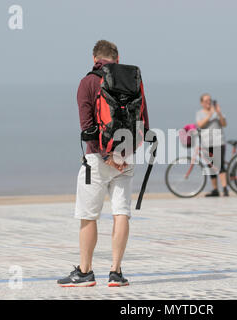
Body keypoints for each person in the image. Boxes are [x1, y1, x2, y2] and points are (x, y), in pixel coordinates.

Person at [57, 40, 149, 287]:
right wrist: (123, 154)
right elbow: (144, 125)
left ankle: (85, 272)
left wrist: (106, 155)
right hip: (126, 157)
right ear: (118, 57)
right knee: (121, 213)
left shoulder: (87, 82)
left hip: (96, 160)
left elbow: (87, 127)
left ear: (94, 57)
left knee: (88, 216)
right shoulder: (133, 79)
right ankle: (116, 272)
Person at [196, 93, 228, 197]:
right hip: (206, 143)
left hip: (219, 142)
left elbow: (224, 124)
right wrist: (210, 115)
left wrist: (218, 113)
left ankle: (225, 188)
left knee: (220, 165)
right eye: (206, 101)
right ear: (202, 103)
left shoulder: (218, 113)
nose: (208, 102)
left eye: (210, 100)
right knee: (211, 166)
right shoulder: (200, 113)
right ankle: (215, 190)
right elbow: (200, 124)